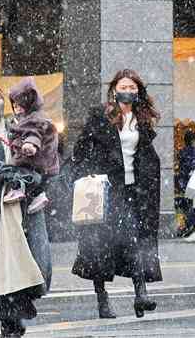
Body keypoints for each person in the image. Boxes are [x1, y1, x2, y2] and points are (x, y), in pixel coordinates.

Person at [71, 69, 162, 319]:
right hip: (106, 191)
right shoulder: (100, 117)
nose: (129, 91)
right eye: (124, 86)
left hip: (134, 191)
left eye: (133, 88)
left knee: (135, 239)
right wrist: (89, 173)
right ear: (114, 89)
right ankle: (102, 299)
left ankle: (140, 294)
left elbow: (145, 153)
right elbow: (80, 150)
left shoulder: (141, 119)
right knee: (99, 247)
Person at [0, 84, 52, 338]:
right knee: (3, 262)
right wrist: (15, 173)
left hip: (24, 201)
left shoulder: (19, 126)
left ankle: (21, 307)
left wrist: (30, 177)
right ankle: (9, 319)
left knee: (29, 257)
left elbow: (40, 158)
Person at [4, 77, 59, 214]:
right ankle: (38, 194)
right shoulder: (34, 118)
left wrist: (30, 145)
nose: (16, 108)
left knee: (25, 174)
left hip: (35, 159)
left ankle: (19, 189)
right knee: (35, 179)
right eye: (14, 105)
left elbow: (34, 133)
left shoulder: (35, 119)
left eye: (19, 104)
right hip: (44, 163)